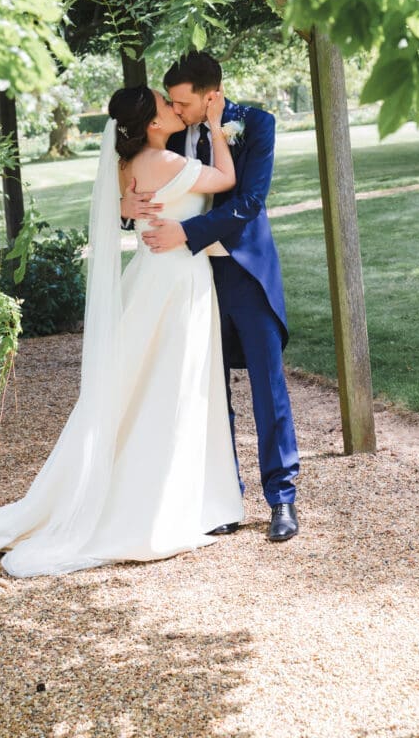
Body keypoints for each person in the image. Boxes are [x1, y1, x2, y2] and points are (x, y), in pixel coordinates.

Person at [0, 86, 243, 577]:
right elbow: (225, 179)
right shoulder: (160, 159)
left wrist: (127, 204)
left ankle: (172, 489)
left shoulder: (132, 163)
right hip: (174, 281)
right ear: (154, 124)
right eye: (166, 104)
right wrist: (220, 128)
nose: (173, 107)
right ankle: (162, 500)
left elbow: (126, 204)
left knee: (142, 386)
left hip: (152, 275)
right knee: (168, 385)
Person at [121, 52, 300, 542]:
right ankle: (223, 497)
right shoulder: (171, 130)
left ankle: (282, 499)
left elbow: (249, 201)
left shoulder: (257, 124)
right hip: (192, 280)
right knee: (204, 389)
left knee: (268, 386)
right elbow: (138, 172)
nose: (177, 112)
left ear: (211, 95)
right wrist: (125, 205)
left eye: (184, 102)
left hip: (244, 273)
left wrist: (187, 231)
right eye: (173, 104)